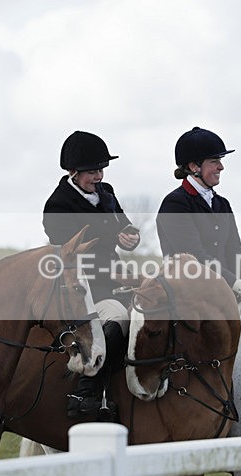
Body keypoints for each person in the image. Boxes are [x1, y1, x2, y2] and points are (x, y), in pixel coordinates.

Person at [42, 131, 140, 420]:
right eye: (92, 171)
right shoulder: (57, 205)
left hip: (113, 279)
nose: (98, 176)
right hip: (81, 288)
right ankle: (87, 390)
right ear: (73, 172)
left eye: (101, 169)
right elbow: (74, 258)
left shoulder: (106, 192)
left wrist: (130, 237)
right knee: (118, 318)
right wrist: (116, 272)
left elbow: (126, 226)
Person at [156, 126, 241, 307]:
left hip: (224, 292)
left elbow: (235, 249)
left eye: (220, 161)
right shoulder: (174, 204)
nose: (221, 167)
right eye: (214, 161)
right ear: (194, 167)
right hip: (188, 297)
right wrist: (235, 283)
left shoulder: (221, 204)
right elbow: (194, 257)